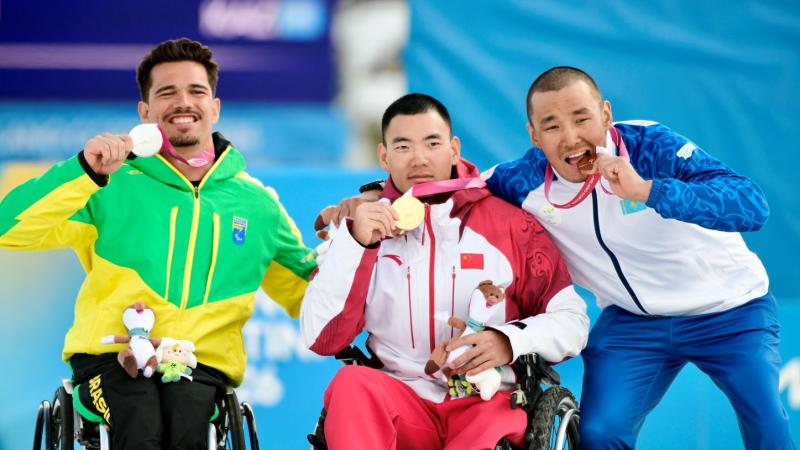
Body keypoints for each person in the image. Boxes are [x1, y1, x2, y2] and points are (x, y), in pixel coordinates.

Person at [0, 38, 316, 450]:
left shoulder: (258, 204)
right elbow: (9, 227)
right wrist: (84, 170)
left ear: (215, 107)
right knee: (140, 419)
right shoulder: (106, 185)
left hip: (199, 365)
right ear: (145, 113)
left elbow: (314, 296)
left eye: (196, 91)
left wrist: (359, 243)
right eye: (166, 93)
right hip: (109, 359)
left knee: (187, 421)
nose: (182, 102)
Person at [483, 66, 795, 449]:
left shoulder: (650, 146)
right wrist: (386, 199)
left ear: (606, 115)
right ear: (534, 135)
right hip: (634, 324)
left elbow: (751, 204)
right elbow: (453, 188)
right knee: (599, 433)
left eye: (582, 118)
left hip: (731, 310)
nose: (571, 137)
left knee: (766, 422)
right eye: (552, 126)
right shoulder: (520, 179)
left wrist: (649, 190)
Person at [300, 93, 588, 450]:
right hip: (400, 401)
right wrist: (356, 244)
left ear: (454, 149)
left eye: (432, 143)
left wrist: (509, 340)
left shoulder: (511, 226)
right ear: (384, 156)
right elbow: (319, 337)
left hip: (485, 401)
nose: (419, 158)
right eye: (403, 146)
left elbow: (572, 320)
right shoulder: (359, 229)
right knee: (352, 384)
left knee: (488, 420)